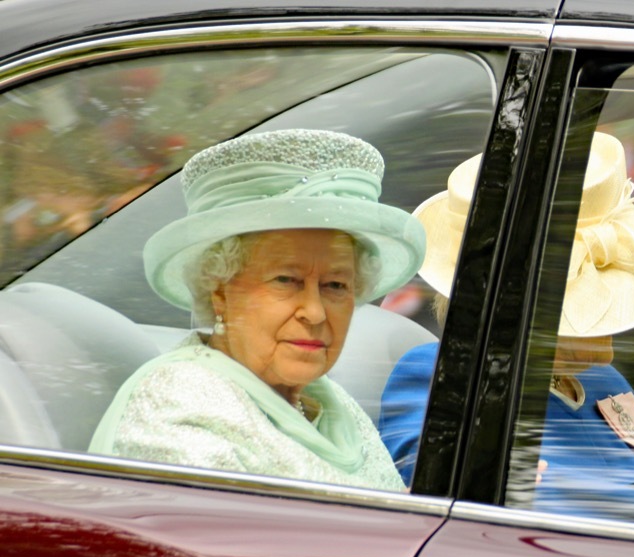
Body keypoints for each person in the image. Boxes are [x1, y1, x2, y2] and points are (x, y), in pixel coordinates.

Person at [378, 132, 634, 530]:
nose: (604, 349)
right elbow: (460, 507)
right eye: (584, 309)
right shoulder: (441, 373)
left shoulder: (605, 380)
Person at [90, 128, 426, 490]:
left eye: (335, 286)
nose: (314, 313)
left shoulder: (325, 398)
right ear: (218, 288)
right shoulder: (180, 407)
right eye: (285, 280)